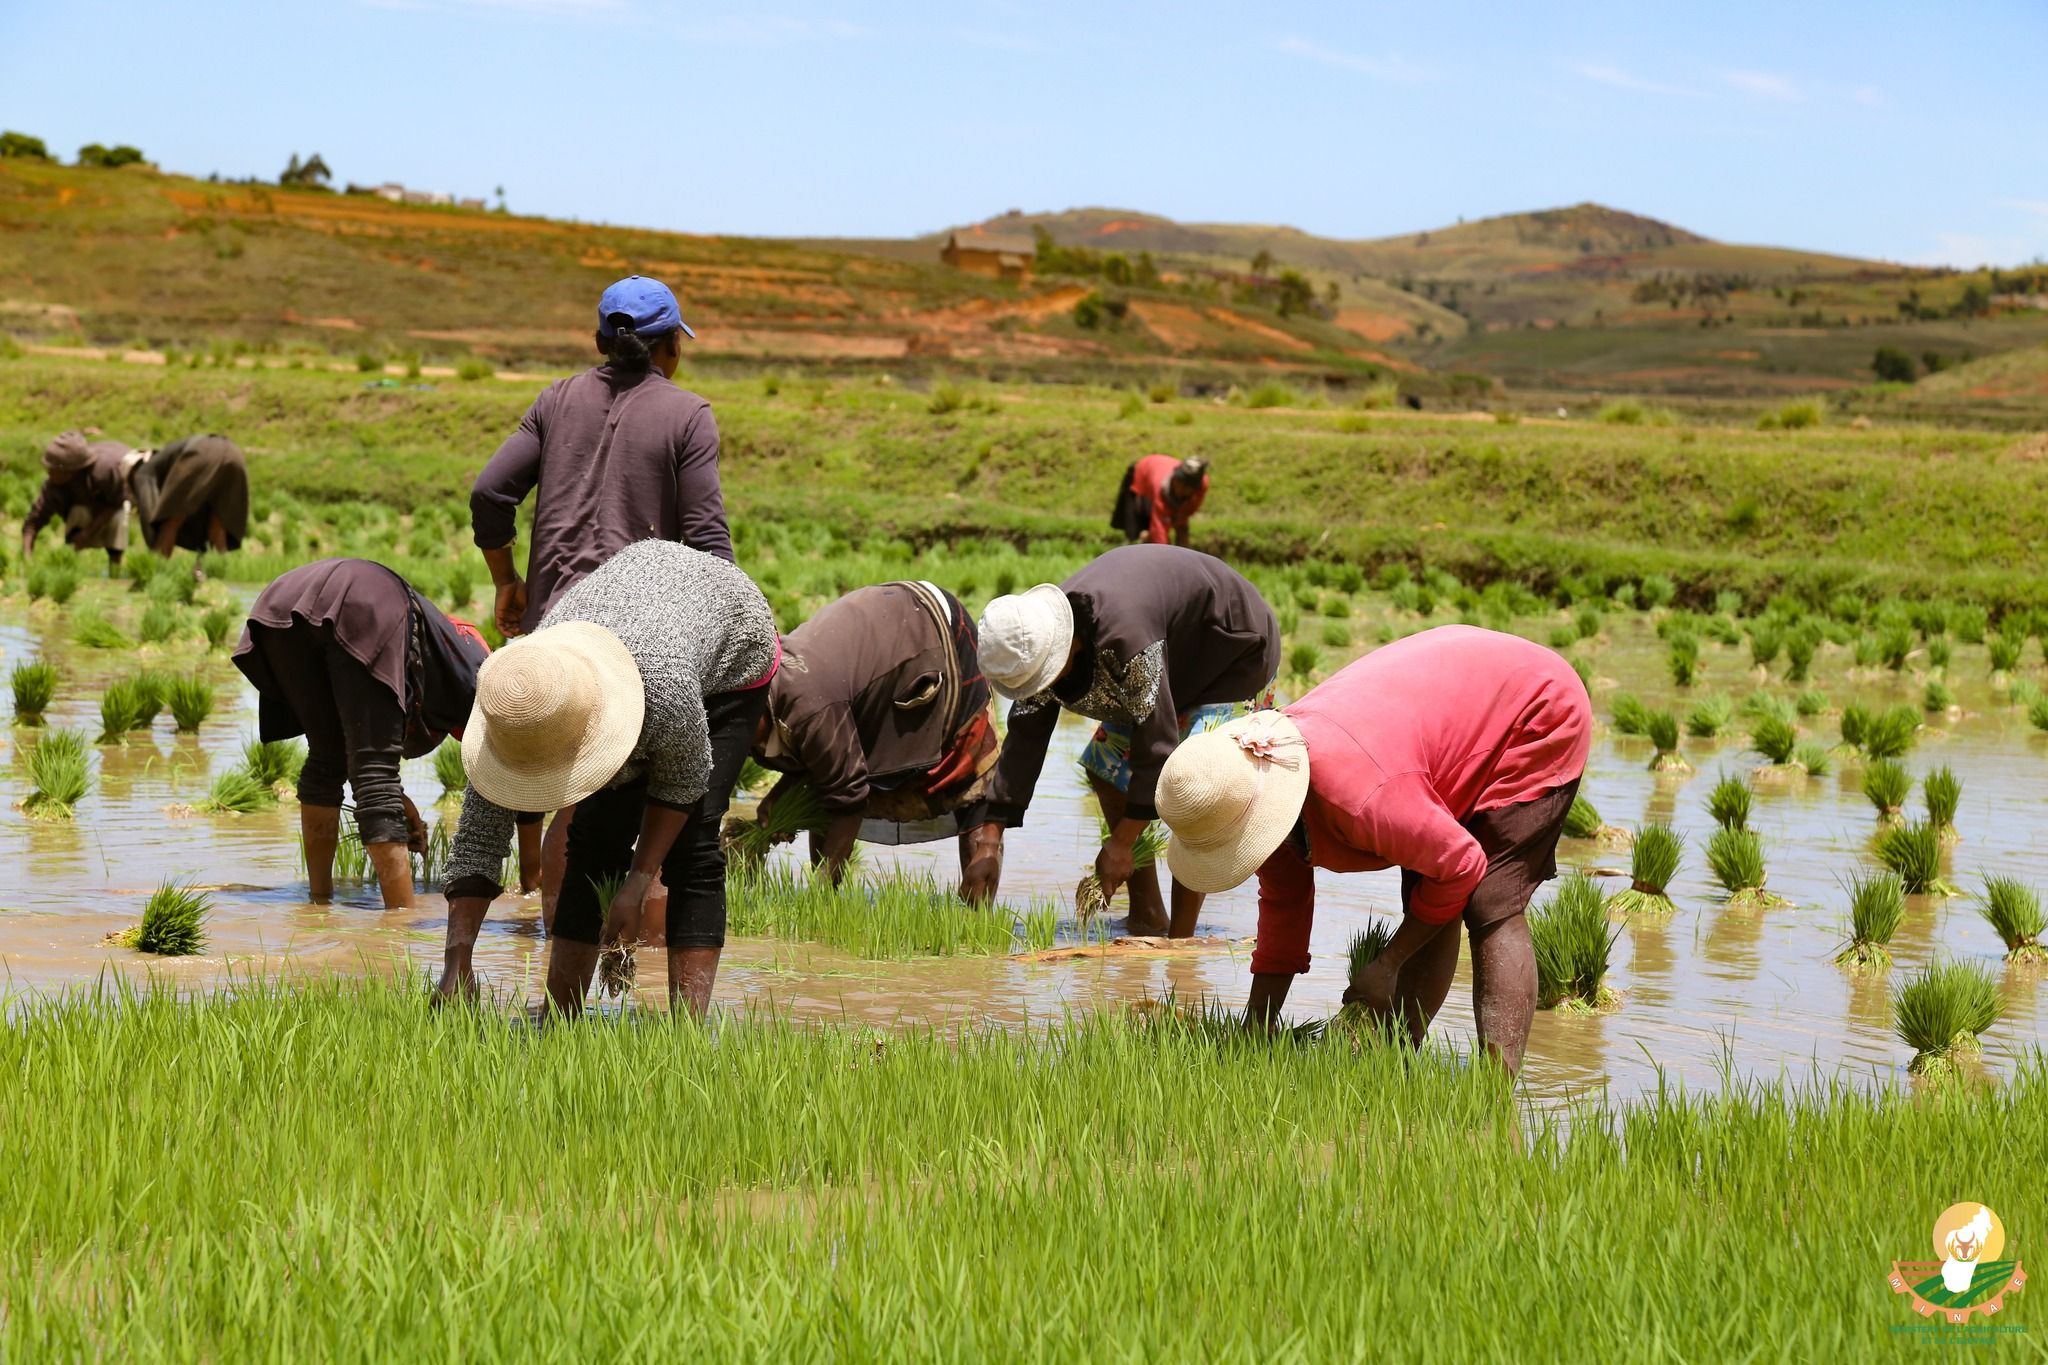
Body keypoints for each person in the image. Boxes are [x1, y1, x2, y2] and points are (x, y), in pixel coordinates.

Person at [1153, 625, 1593, 1076]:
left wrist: (1388, 964)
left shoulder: (1361, 799)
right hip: (1446, 704)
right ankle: (1397, 1062)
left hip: (1534, 706)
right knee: (1427, 890)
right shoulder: (1265, 803)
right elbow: (1285, 907)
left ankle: (1495, 1097)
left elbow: (1461, 866)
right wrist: (1254, 1030)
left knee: (1488, 901)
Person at [436, 540, 778, 1017]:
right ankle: (559, 1017)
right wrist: (457, 963)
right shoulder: (516, 696)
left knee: (693, 843)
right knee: (594, 835)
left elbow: (683, 783)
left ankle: (687, 1033)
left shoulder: (664, 687)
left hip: (731, 648)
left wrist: (636, 887)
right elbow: (477, 840)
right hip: (630, 624)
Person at [964, 544, 1279, 935]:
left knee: (1191, 787)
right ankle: (1147, 915)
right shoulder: (1039, 639)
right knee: (1104, 770)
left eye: (1043, 678)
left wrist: (1122, 842)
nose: (1041, 687)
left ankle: (1179, 942)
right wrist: (990, 839)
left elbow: (1157, 745)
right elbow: (1026, 736)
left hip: (1230, 655)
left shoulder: (1126, 640)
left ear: (1069, 645)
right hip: (1173, 658)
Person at [232, 558, 537, 909]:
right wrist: (531, 880)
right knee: (374, 774)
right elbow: (521, 779)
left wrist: (400, 800)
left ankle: (318, 904)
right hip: (366, 601)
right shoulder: (485, 680)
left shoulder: (443, 656)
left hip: (282, 598)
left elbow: (364, 728)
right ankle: (401, 921)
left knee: (327, 758)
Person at [470, 274, 731, 640]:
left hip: (549, 631)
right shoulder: (690, 415)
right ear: (673, 345)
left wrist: (506, 580)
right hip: (638, 642)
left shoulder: (554, 400)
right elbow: (708, 542)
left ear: (600, 342)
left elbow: (489, 492)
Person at [750, 581, 996, 886]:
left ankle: (978, 908)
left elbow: (848, 798)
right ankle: (829, 903)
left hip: (936, 633)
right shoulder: (773, 692)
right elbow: (822, 763)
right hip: (888, 626)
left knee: (970, 779)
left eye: (741, 728)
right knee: (830, 780)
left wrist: (821, 887)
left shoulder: (809, 707)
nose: (737, 738)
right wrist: (779, 797)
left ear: (759, 708)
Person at [21, 430, 142, 569]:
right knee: (79, 511)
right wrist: (27, 557)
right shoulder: (53, 485)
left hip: (112, 507)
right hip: (84, 512)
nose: (48, 472)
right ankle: (70, 562)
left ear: (70, 470)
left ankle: (115, 565)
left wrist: (87, 533)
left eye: (53, 469)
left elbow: (116, 502)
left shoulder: (104, 472)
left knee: (119, 517)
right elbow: (33, 522)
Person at [128, 433, 250, 556]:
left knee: (171, 520)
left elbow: (149, 506)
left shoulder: (145, 470)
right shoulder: (167, 458)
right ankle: (217, 571)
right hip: (235, 455)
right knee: (218, 528)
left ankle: (160, 566)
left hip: (203, 452)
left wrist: (153, 532)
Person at [1112, 454, 1209, 547]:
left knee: (1182, 528)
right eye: (1179, 482)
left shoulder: (1202, 484)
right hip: (1142, 476)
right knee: (1135, 534)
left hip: (1159, 467)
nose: (1180, 488)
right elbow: (1159, 532)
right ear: (1175, 477)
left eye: (1186, 486)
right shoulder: (1160, 489)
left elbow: (1187, 511)